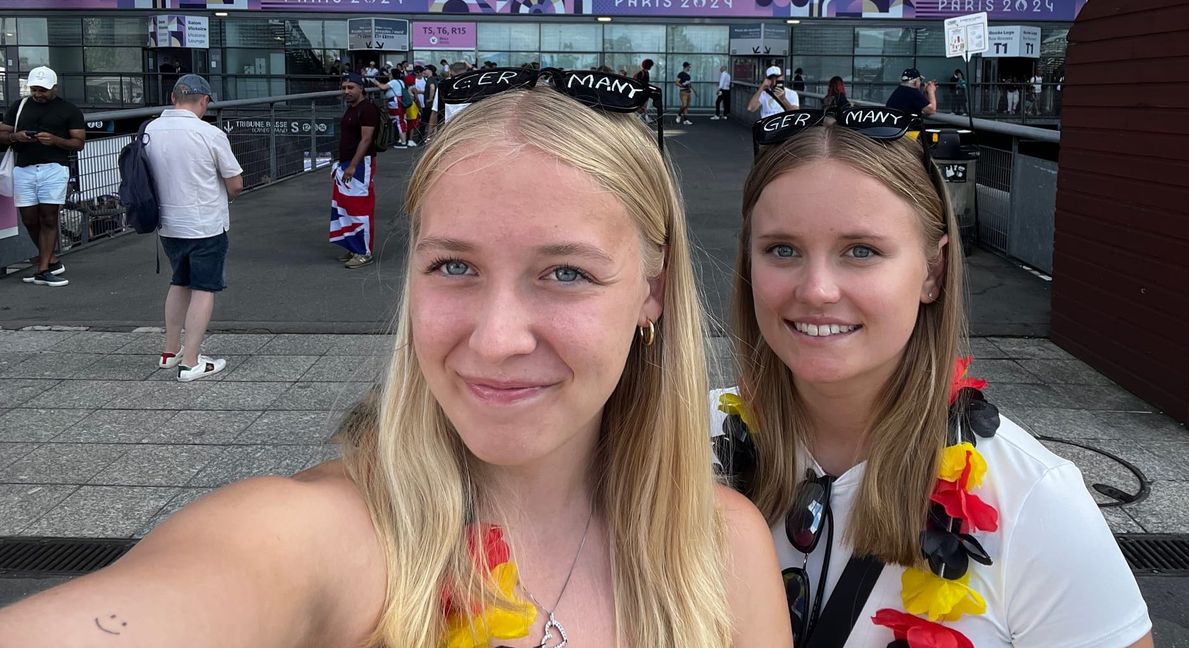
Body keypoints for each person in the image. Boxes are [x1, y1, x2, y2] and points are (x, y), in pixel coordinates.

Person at [0, 75, 791, 648]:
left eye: (567, 273)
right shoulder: (323, 536)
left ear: (651, 293)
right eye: (454, 266)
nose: (496, 338)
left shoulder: (724, 547)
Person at [712, 107, 1156, 647]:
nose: (817, 289)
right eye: (782, 250)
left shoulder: (1034, 501)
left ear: (933, 271)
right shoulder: (685, 443)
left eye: (861, 251)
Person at [145, 75, 244, 382]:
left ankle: (169, 351)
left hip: (168, 224)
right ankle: (191, 362)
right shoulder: (208, 133)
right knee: (203, 289)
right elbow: (235, 184)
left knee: (180, 282)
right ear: (204, 101)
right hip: (205, 224)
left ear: (174, 98)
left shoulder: (150, 130)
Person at [0, 66, 85, 287]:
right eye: (35, 89)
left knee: (48, 217)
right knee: (29, 219)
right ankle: (51, 260)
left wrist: (55, 140)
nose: (38, 94)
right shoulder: (19, 106)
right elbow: (2, 133)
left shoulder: (69, 110)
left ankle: (43, 268)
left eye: (43, 90)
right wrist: (15, 137)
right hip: (24, 167)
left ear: (54, 87)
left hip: (54, 168)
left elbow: (78, 143)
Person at [330, 73, 380, 269]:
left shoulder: (367, 109)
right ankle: (354, 246)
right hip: (348, 163)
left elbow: (366, 139)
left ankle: (363, 252)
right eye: (343, 88)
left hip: (359, 165)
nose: (346, 91)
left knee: (360, 208)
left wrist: (352, 165)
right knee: (346, 206)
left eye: (350, 87)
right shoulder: (352, 108)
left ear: (361, 88)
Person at [374, 72, 410, 148]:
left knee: (398, 121)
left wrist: (376, 82)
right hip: (400, 101)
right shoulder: (401, 81)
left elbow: (383, 87)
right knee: (401, 120)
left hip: (395, 102)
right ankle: (402, 140)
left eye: (390, 74)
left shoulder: (393, 82)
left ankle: (403, 142)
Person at [634, 58, 655, 123]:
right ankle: (642, 118)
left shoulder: (646, 73)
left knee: (644, 106)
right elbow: (638, 83)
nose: (651, 67)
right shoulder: (642, 73)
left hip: (644, 92)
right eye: (651, 66)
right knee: (642, 106)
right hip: (641, 92)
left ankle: (643, 117)